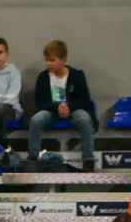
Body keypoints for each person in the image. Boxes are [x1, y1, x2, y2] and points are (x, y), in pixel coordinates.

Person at [30, 40, 96, 171]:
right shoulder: (43, 77)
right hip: (52, 111)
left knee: (84, 119)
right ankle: (32, 158)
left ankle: (88, 159)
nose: (47, 63)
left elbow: (84, 99)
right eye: (46, 60)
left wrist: (69, 107)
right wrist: (57, 108)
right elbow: (40, 101)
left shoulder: (77, 75)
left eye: (52, 60)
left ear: (63, 60)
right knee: (36, 120)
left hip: (73, 110)